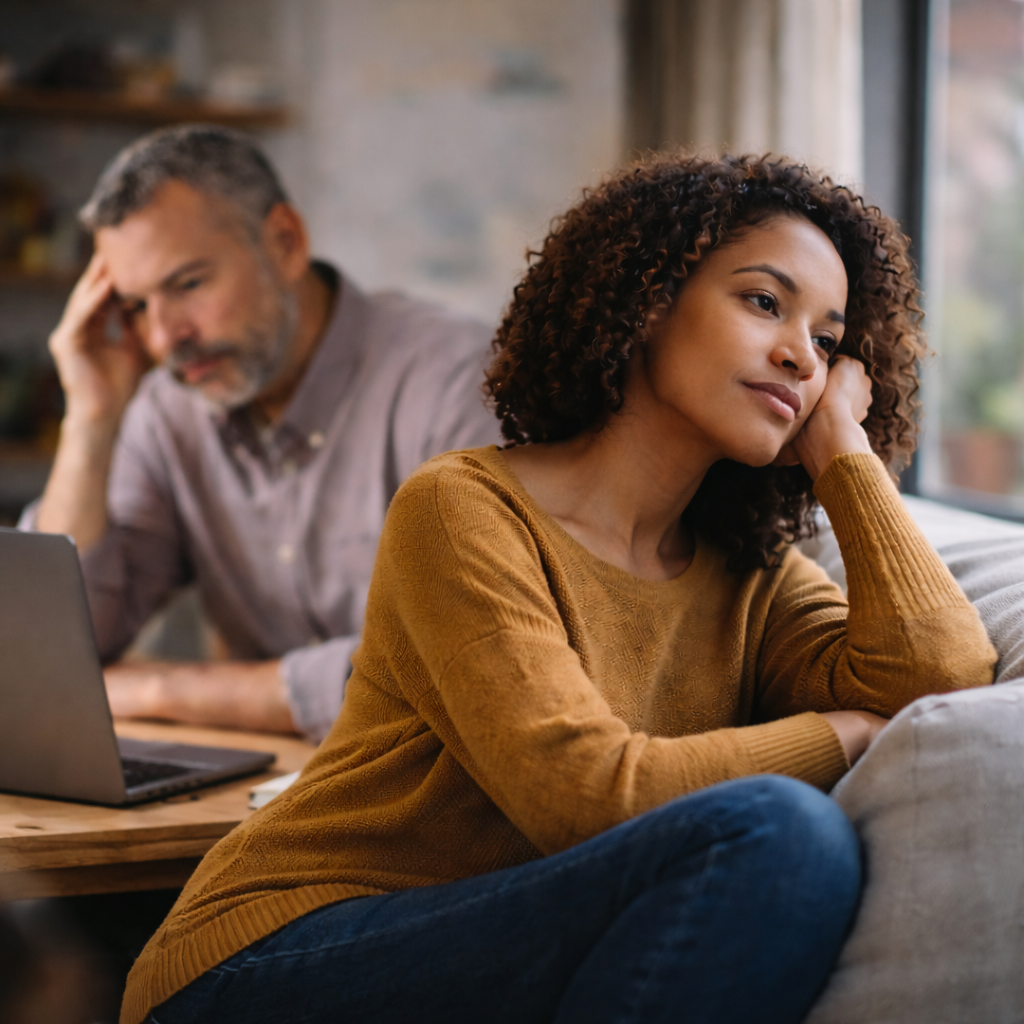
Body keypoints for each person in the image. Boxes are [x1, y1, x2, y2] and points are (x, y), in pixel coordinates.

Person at [121, 154, 996, 1024]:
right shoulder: (463, 509)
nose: (800, 357)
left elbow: (943, 677)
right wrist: (841, 734)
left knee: (799, 853)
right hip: (266, 955)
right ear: (646, 298)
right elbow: (586, 795)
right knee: (782, 837)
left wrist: (844, 450)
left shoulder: (754, 580)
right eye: (764, 302)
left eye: (829, 343)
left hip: (499, 939)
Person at [23, 124, 500, 742]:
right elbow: (58, 648)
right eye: (137, 305)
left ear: (284, 242)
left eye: (188, 284)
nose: (165, 337)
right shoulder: (169, 408)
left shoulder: (457, 381)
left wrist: (163, 689)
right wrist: (90, 419)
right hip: (271, 798)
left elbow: (466, 662)